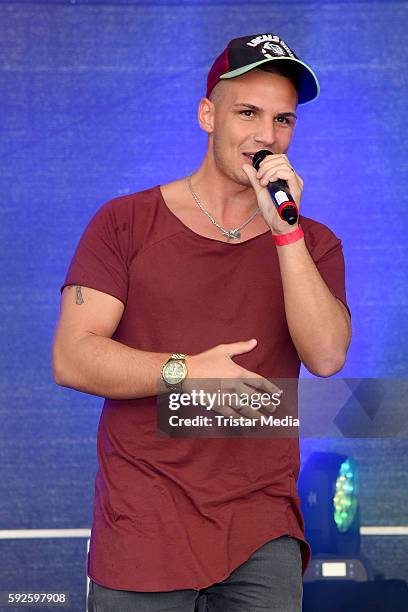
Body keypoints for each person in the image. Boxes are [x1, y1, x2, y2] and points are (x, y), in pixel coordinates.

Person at [52, 32, 351, 612]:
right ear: (207, 115)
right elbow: (72, 356)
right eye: (248, 113)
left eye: (283, 120)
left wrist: (286, 230)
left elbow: (327, 357)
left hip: (263, 531)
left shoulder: (314, 243)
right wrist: (183, 372)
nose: (266, 136)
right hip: (146, 525)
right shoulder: (125, 223)